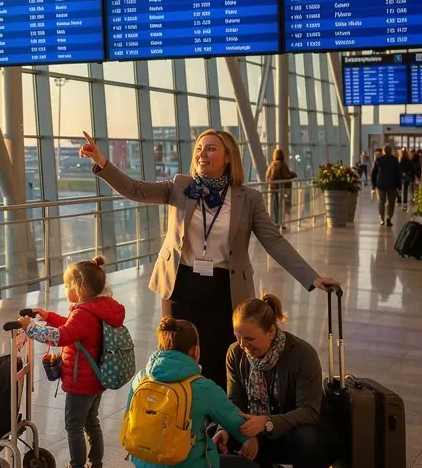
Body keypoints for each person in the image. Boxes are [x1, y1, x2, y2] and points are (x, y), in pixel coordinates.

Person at [78, 129, 338, 388]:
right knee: (177, 357)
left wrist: (311, 277)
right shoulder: (180, 187)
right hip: (180, 285)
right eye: (200, 148)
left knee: (219, 359)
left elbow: (274, 241)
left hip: (225, 289)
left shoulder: (248, 199)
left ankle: (215, 423)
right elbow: (135, 189)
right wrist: (102, 161)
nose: (203, 153)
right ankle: (182, 418)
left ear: (228, 157)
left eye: (211, 148)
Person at [127, 317, 260, 468]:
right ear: (195, 351)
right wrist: (252, 437)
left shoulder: (141, 378)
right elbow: (239, 424)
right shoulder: (201, 386)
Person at [217, 294, 338, 468]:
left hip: (297, 431)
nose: (243, 346)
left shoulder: (302, 355)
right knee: (222, 433)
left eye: (250, 338)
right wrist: (236, 429)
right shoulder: (236, 354)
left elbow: (309, 412)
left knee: (306, 438)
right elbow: (234, 402)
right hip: (257, 425)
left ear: (271, 332)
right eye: (238, 337)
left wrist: (267, 423)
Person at [23, 256, 125, 468]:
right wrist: (48, 316)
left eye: (68, 285)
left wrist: (30, 328)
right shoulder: (98, 308)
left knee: (73, 425)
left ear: (80, 288)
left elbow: (62, 336)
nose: (66, 288)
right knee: (92, 422)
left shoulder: (83, 314)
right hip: (96, 379)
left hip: (81, 381)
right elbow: (71, 326)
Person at [264, 147, 296, 230]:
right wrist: (292, 175)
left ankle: (273, 223)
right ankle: (278, 223)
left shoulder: (271, 164)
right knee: (280, 206)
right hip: (279, 188)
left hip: (271, 188)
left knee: (274, 205)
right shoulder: (282, 164)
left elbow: (267, 176)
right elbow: (286, 175)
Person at [371, 144, 401, 227]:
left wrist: (373, 185)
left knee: (381, 202)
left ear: (383, 151)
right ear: (391, 151)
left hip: (380, 184)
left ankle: (381, 219)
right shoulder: (395, 160)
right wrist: (399, 187)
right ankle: (389, 218)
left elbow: (373, 173)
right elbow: (398, 174)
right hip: (392, 184)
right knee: (391, 203)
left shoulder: (378, 160)